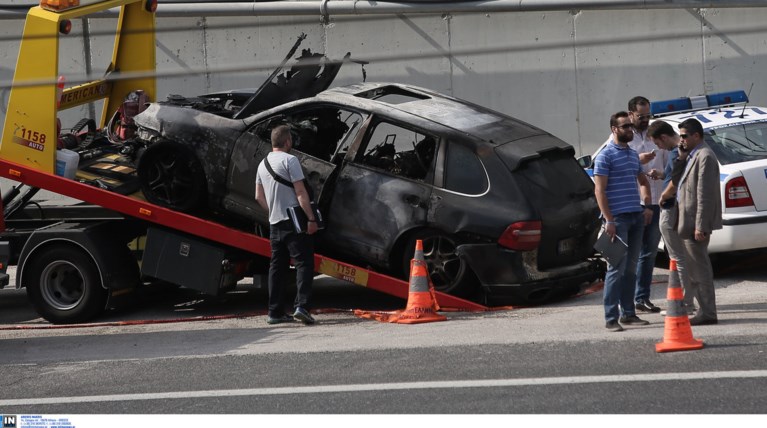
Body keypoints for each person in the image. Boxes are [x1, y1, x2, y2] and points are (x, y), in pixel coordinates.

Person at [594, 111, 654, 332]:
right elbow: (599, 190)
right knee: (615, 269)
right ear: (614, 130)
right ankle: (611, 317)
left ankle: (628, 314)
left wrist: (646, 206)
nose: (630, 129)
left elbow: (643, 182)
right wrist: (608, 219)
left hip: (635, 216)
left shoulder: (631, 155)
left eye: (630, 126)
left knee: (630, 270)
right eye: (625, 126)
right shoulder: (605, 155)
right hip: (617, 220)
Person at [255, 124, 318, 325]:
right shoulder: (291, 160)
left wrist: (272, 211)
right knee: (304, 264)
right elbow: (301, 193)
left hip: (275, 224)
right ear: (288, 141)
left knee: (277, 268)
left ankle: (274, 312)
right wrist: (311, 219)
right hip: (294, 223)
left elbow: (258, 196)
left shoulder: (262, 164)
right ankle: (302, 307)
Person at [676, 118, 722, 325]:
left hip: (696, 224)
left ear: (697, 135)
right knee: (694, 271)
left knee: (700, 270)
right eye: (680, 136)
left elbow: (705, 194)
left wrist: (701, 226)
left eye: (685, 136)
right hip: (688, 223)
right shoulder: (692, 155)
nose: (681, 140)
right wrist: (681, 157)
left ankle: (708, 313)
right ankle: (704, 310)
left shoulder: (705, 156)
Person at [647, 120, 695, 314]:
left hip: (671, 208)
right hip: (679, 208)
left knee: (677, 257)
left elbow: (676, 181)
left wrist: (664, 195)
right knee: (683, 256)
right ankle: (688, 301)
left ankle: (684, 303)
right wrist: (661, 175)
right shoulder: (683, 152)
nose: (659, 147)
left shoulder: (677, 153)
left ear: (664, 137)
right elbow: (672, 176)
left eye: (658, 143)